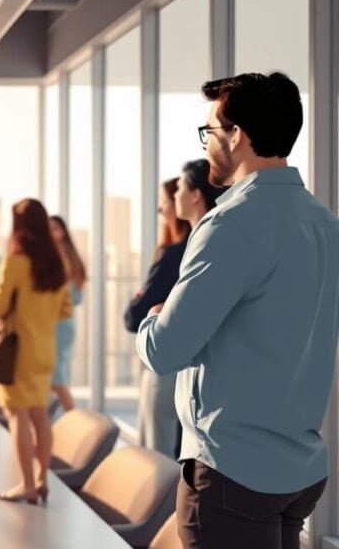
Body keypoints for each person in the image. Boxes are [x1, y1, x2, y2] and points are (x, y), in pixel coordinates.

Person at [136, 72, 339, 549]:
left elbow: (164, 351)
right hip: (300, 470)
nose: (207, 145)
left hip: (234, 473)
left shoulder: (231, 224)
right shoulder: (325, 223)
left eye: (210, 132)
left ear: (237, 136)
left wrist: (153, 318)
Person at [127, 168, 221, 459]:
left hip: (175, 364)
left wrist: (155, 310)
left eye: (178, 189)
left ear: (195, 196)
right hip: (190, 368)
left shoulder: (196, 247)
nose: (162, 206)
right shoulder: (202, 243)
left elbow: (136, 315)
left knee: (161, 451)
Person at [0, 199, 72, 505]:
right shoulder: (57, 263)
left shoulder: (15, 262)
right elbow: (65, 310)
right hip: (44, 350)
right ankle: (41, 479)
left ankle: (25, 484)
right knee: (40, 416)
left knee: (17, 416)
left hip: (17, 352)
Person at [47, 215, 85, 412]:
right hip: (62, 324)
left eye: (53, 228)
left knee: (56, 378)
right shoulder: (68, 256)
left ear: (61, 232)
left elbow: (71, 295)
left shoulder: (59, 258)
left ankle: (74, 417)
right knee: (54, 377)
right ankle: (51, 422)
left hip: (58, 325)